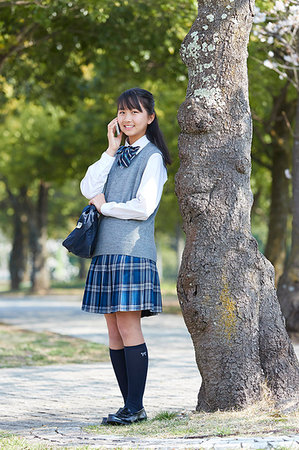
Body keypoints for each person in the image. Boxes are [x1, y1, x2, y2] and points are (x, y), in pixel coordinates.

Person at [80, 87, 171, 425]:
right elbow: (88, 187)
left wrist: (106, 206)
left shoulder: (153, 158)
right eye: (122, 112)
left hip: (132, 253)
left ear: (150, 117)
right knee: (114, 331)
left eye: (134, 112)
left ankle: (136, 407)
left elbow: (143, 207)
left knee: (129, 328)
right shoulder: (117, 156)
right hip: (105, 252)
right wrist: (109, 150)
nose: (127, 118)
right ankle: (128, 405)